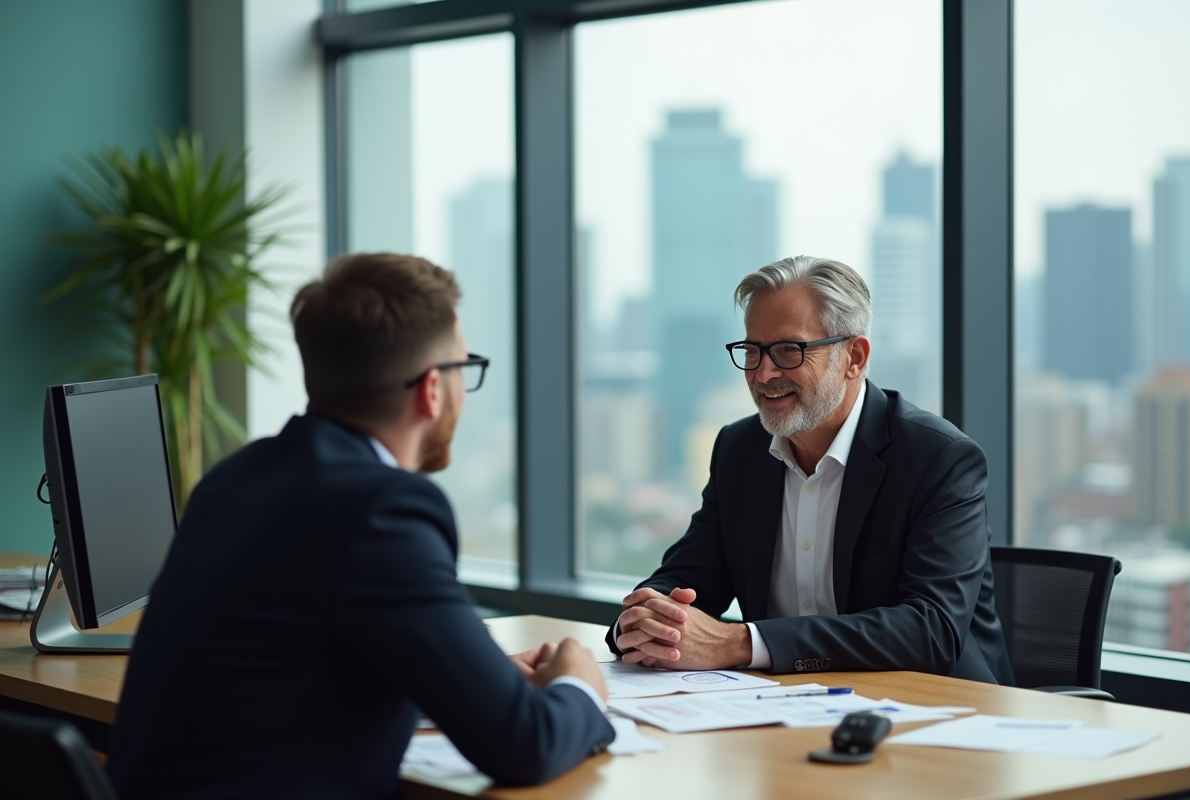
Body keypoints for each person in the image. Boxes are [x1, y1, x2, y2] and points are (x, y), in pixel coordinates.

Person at [108, 253, 614, 800]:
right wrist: (579, 686)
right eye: (463, 368)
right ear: (432, 389)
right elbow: (525, 744)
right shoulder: (382, 510)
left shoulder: (236, 478)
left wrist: (472, 678)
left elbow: (291, 668)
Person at [607, 255, 1014, 685]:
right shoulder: (739, 449)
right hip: (781, 703)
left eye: (789, 350)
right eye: (752, 351)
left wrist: (741, 642)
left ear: (854, 357)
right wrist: (642, 621)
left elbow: (931, 631)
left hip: (940, 706)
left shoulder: (938, 458)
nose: (764, 374)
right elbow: (691, 575)